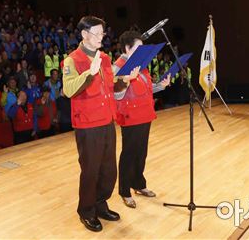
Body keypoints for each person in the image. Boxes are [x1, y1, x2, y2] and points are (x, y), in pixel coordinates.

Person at [62, 16, 132, 232]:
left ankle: (100, 203)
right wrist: (89, 73)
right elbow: (69, 89)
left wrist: (125, 80)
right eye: (97, 33)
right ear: (84, 35)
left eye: (103, 33)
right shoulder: (71, 60)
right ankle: (86, 210)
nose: (102, 37)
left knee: (109, 170)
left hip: (107, 120)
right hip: (87, 125)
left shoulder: (104, 57)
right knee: (91, 170)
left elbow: (109, 86)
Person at [114, 29, 171, 208]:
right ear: (127, 48)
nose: (143, 50)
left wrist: (161, 86)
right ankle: (124, 191)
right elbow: (116, 94)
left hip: (145, 114)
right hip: (130, 116)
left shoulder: (141, 65)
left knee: (141, 153)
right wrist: (127, 80)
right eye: (139, 47)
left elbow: (146, 89)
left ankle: (138, 184)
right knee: (129, 155)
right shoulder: (118, 66)